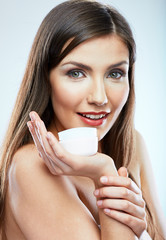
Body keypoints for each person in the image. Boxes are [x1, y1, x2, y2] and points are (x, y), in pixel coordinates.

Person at [0, 0, 165, 239]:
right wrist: (103, 171)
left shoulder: (132, 144)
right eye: (76, 73)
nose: (99, 97)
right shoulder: (33, 165)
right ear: (46, 79)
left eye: (115, 73)